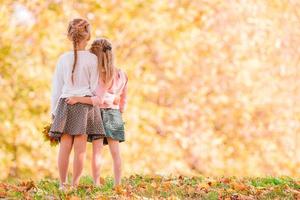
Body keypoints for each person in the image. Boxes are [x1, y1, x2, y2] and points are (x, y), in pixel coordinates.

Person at [49, 19, 105, 189]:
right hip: (85, 106)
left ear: (69, 35)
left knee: (64, 147)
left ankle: (62, 183)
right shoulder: (93, 59)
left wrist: (54, 112)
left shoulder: (63, 59)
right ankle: (74, 185)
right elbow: (95, 87)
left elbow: (56, 88)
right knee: (80, 150)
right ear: (87, 36)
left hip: (65, 105)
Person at [66, 38, 128, 186]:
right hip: (114, 115)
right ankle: (117, 184)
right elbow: (124, 97)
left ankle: (96, 183)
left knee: (97, 152)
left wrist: (78, 98)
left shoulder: (100, 76)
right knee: (116, 153)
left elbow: (97, 99)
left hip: (98, 115)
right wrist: (120, 110)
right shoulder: (122, 74)